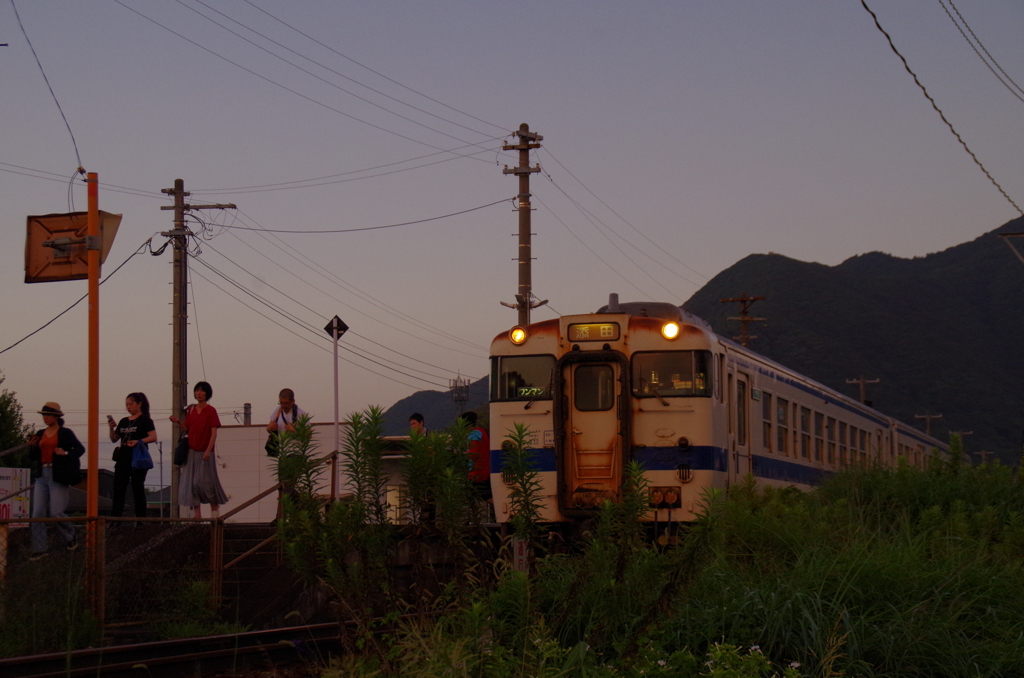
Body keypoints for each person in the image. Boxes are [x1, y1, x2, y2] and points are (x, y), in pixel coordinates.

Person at [27, 402, 85, 560]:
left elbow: (80, 449)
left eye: (48, 415)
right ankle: (40, 548)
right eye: (43, 415)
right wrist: (32, 447)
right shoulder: (40, 433)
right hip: (42, 474)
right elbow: (33, 457)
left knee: (55, 512)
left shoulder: (65, 433)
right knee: (37, 512)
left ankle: (70, 535)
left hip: (57, 473)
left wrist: (65, 452)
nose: (45, 418)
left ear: (56, 417)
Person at [170, 381, 228, 518]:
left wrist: (208, 450)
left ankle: (214, 508)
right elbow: (187, 429)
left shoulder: (211, 410)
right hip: (191, 450)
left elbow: (214, 432)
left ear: (207, 393)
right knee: (191, 483)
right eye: (197, 391)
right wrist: (178, 422)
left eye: (202, 391)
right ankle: (197, 514)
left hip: (205, 451)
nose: (199, 393)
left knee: (205, 482)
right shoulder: (191, 410)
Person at [108, 392, 157, 527]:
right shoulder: (124, 421)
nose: (128, 407)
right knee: (119, 488)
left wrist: (138, 441)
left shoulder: (145, 420)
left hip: (138, 457)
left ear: (139, 404)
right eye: (127, 405)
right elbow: (114, 439)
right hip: (123, 456)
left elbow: (153, 437)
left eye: (131, 404)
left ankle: (141, 519)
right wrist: (111, 428)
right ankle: (116, 519)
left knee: (137, 488)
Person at [460, 411, 491, 502]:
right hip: (486, 469)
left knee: (481, 496)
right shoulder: (482, 431)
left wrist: (465, 454)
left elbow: (474, 455)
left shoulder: (473, 435)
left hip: (477, 472)